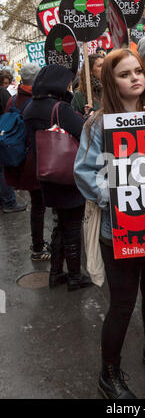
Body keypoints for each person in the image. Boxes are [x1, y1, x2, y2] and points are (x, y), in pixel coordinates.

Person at [74, 48, 145, 400]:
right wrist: (117, 197)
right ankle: (109, 373)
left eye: (138, 72)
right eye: (125, 74)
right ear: (111, 83)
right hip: (118, 231)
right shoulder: (98, 124)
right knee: (122, 303)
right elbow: (84, 174)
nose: (135, 78)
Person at [24, 64, 93, 291]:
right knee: (72, 226)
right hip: (67, 175)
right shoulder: (60, 108)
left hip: (47, 175)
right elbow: (83, 131)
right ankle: (74, 275)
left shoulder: (30, 107)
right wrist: (88, 117)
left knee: (60, 224)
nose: (68, 85)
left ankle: (56, 272)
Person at [4, 63, 50, 260]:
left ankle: (38, 244)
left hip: (21, 158)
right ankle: (38, 247)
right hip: (37, 160)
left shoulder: (13, 101)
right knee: (40, 206)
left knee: (36, 204)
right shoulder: (38, 101)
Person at [0, 74, 27, 214]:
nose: (6, 85)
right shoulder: (3, 93)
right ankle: (9, 202)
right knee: (2, 170)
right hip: (3, 135)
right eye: (4, 83)